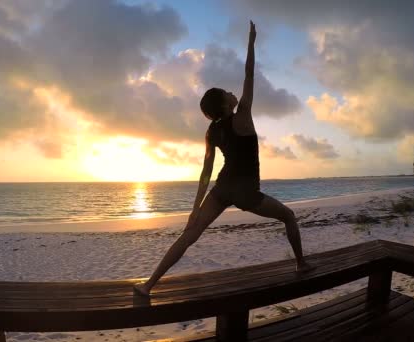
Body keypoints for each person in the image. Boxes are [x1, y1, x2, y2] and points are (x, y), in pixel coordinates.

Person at [134, 21, 312, 297]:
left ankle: (148, 285)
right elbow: (249, 74)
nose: (233, 92)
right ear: (226, 104)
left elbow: (206, 173)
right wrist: (252, 43)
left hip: (222, 187)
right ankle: (301, 264)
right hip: (246, 191)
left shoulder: (211, 131)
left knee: (189, 235)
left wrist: (194, 210)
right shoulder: (243, 116)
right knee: (288, 216)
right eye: (228, 93)